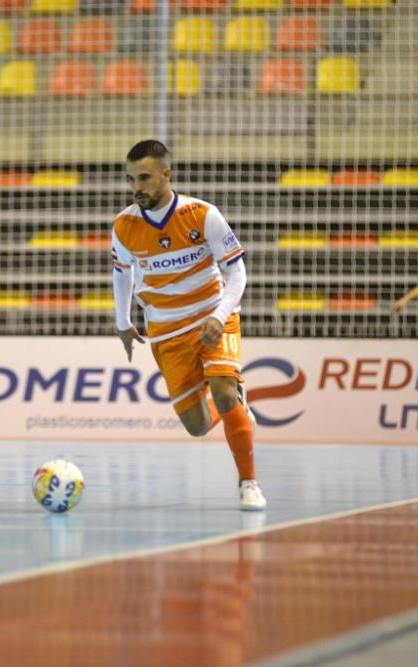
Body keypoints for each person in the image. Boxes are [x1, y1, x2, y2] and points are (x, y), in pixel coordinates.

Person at [111, 139, 265, 511]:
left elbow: (237, 272)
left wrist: (219, 315)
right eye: (132, 179)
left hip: (212, 317)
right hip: (166, 331)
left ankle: (248, 483)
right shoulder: (124, 226)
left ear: (167, 173)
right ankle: (238, 411)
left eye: (145, 178)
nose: (137, 187)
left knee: (224, 392)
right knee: (196, 425)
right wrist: (122, 323)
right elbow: (122, 273)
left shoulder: (202, 214)